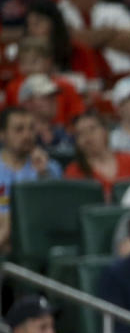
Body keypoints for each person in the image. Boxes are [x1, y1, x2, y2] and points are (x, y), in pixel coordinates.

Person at [0, 106, 62, 250]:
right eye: (19, 129)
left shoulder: (49, 167)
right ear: (2, 134)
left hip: (39, 239)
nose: (27, 135)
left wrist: (43, 174)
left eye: (31, 128)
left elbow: (58, 213)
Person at [65, 112, 130, 201]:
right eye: (80, 133)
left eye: (92, 129)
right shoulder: (74, 171)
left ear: (105, 131)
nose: (87, 136)